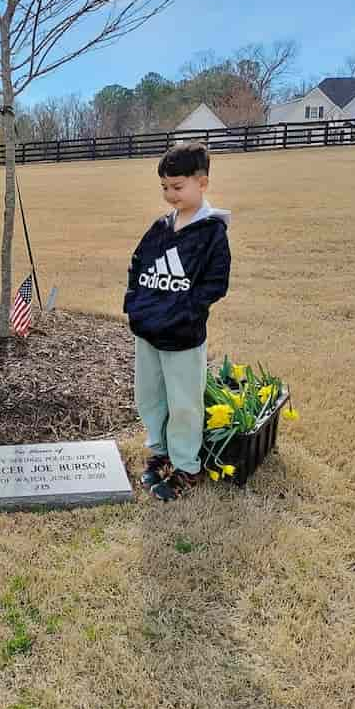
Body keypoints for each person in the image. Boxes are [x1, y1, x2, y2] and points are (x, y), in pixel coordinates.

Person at [123, 141, 231, 502]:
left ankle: (187, 465)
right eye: (165, 188)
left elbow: (215, 284)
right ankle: (160, 450)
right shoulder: (160, 227)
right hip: (149, 331)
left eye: (177, 187)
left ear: (202, 183)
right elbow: (138, 265)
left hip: (183, 335)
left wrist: (185, 310)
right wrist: (135, 305)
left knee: (183, 401)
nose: (170, 194)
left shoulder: (212, 232)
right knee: (151, 395)